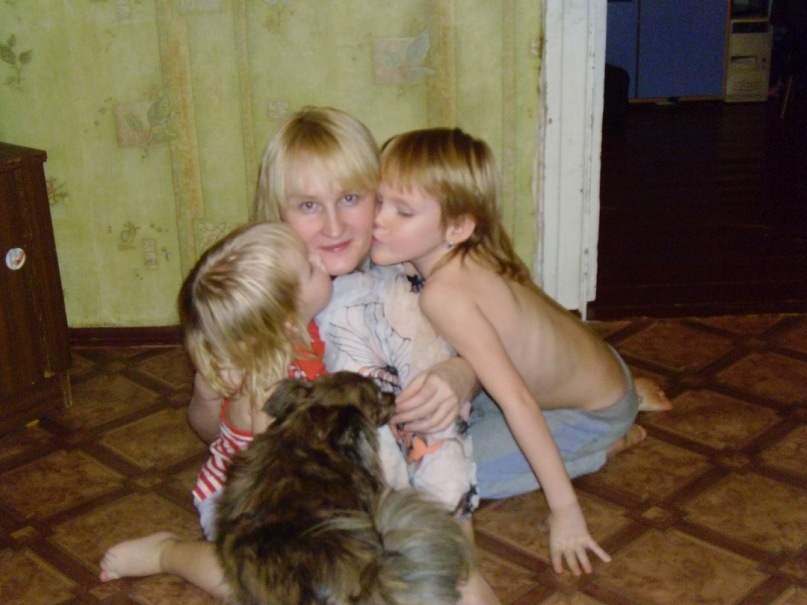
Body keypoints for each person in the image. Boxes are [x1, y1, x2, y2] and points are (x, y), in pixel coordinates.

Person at [370, 127, 666, 575]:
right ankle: (627, 398)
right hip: (601, 370)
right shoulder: (465, 251)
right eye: (378, 201)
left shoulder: (443, 295)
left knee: (446, 478)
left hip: (584, 413)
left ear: (457, 226)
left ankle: (606, 445)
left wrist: (565, 512)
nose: (379, 220)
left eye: (403, 211)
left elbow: (519, 402)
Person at [99, 221, 333, 597]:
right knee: (259, 585)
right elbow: (276, 485)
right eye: (310, 266)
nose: (320, 258)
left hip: (302, 491)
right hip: (244, 502)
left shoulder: (305, 331)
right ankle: (168, 553)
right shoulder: (267, 391)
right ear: (289, 323)